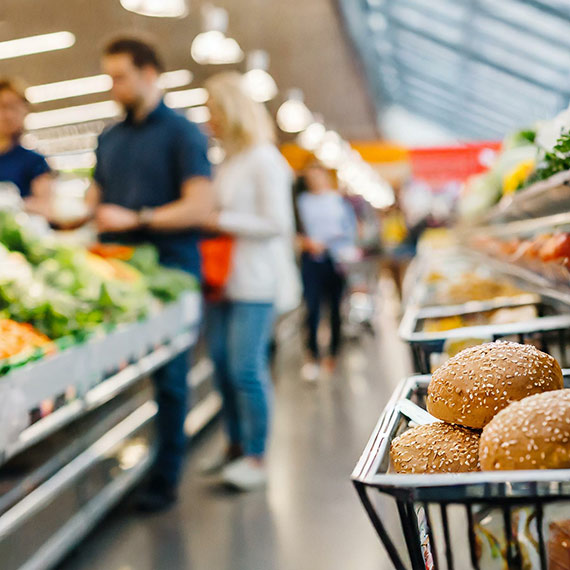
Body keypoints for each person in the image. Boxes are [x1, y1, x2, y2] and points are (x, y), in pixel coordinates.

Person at [87, 37, 214, 512]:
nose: (112, 86)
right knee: (117, 377)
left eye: (119, 76)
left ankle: (165, 477)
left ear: (149, 73)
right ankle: (122, 467)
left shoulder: (183, 133)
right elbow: (94, 203)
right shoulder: (109, 138)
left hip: (172, 271)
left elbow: (201, 205)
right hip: (118, 276)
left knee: (171, 381)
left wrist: (137, 219)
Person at [202, 72, 297, 491]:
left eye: (214, 112)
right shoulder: (231, 161)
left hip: (256, 282)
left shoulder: (264, 159)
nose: (210, 121)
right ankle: (235, 445)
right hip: (225, 281)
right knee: (222, 365)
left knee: (245, 369)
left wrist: (219, 220)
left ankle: (256, 456)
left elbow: (277, 223)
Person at [296, 163, 358, 381]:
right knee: (311, 308)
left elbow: (350, 231)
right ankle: (312, 354)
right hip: (312, 260)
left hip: (335, 260)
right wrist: (306, 243)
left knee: (335, 309)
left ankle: (333, 354)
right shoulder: (301, 203)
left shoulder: (337, 201)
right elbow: (295, 231)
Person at [0, 78, 53, 214]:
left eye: (15, 107)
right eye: (4, 107)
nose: (9, 115)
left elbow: (46, 208)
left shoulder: (35, 162)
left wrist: (12, 205)